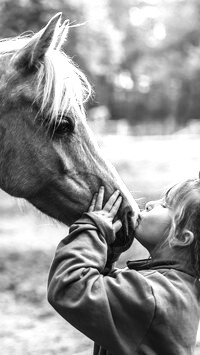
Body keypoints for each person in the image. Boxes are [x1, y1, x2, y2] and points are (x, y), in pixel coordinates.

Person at [48, 180, 200, 355]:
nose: (151, 204)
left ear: (181, 237)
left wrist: (90, 229)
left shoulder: (153, 295)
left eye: (165, 205)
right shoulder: (176, 290)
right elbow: (107, 293)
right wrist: (107, 255)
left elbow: (70, 286)